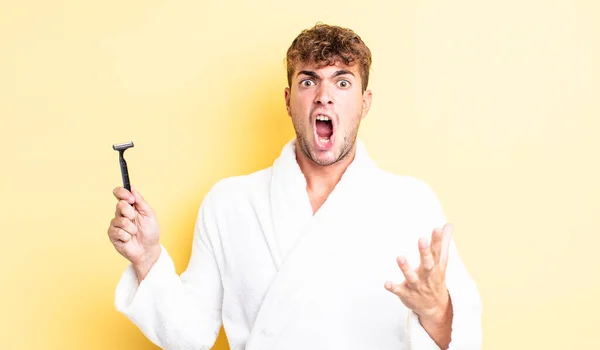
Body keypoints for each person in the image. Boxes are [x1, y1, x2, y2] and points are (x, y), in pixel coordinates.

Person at [108, 23, 482, 350]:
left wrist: (436, 310)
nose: (324, 95)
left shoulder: (411, 203)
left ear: (364, 103)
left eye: (342, 81)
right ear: (288, 101)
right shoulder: (229, 203)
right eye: (308, 81)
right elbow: (189, 336)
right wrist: (147, 258)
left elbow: (465, 340)